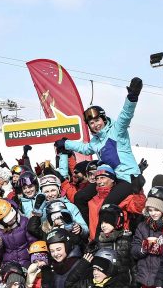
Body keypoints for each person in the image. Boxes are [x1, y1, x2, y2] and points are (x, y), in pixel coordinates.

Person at [56, 77, 145, 219]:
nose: (95, 125)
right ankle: (87, 232)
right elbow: (85, 148)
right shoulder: (95, 141)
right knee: (80, 197)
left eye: (97, 120)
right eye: (91, 123)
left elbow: (125, 116)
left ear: (103, 119)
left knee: (107, 206)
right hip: (110, 177)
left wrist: (132, 97)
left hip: (128, 178)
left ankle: (107, 236)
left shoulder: (117, 130)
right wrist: (65, 144)